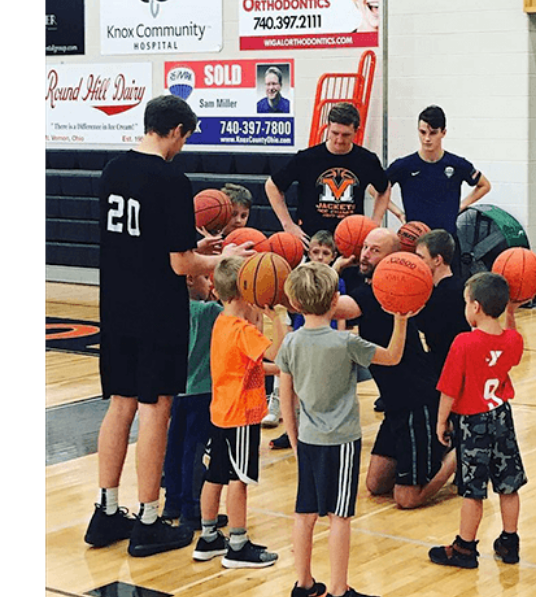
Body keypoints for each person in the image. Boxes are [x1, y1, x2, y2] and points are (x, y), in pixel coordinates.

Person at [84, 94, 254, 558]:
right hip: (157, 308)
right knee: (156, 407)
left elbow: (141, 237)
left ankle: (105, 511)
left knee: (120, 404)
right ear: (176, 131)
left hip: (116, 303)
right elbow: (181, 264)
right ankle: (149, 519)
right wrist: (223, 256)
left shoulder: (112, 171)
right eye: (185, 137)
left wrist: (191, 241)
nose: (182, 146)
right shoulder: (172, 180)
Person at [277, 261, 415, 597]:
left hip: (307, 439)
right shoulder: (346, 342)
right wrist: (400, 321)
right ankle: (338, 594)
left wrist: (293, 440)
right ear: (336, 299)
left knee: (304, 513)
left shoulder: (291, 342)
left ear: (294, 302)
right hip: (340, 442)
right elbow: (393, 357)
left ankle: (303, 586)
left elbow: (286, 399)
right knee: (339, 516)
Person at [333, 227, 456, 509]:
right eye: (364, 247)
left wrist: (330, 270)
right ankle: (431, 456)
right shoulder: (375, 288)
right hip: (395, 405)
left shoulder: (382, 292)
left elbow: (329, 308)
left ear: (393, 259)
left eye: (375, 250)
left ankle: (456, 458)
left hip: (417, 403)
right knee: (375, 486)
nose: (364, 255)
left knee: (406, 499)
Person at [192, 256, 288, 567]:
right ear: (249, 293)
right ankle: (237, 543)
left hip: (220, 412)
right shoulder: (242, 331)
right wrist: (277, 317)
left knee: (215, 474)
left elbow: (256, 366)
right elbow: (277, 351)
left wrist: (285, 371)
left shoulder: (221, 321)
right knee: (239, 479)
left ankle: (208, 538)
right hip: (242, 416)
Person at [429, 273, 527, 568]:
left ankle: (464, 548)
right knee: (508, 484)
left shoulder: (463, 342)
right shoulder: (513, 340)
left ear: (475, 307)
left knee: (472, 490)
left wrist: (440, 421)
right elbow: (512, 345)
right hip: (502, 416)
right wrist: (510, 314)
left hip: (473, 422)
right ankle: (510, 542)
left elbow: (449, 388)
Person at [265, 102, 390, 247]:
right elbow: (272, 185)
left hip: (350, 240)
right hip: (313, 241)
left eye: (346, 135)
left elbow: (384, 188)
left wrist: (375, 222)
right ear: (328, 128)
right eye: (335, 133)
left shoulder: (367, 160)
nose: (339, 140)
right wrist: (287, 224)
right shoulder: (307, 158)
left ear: (357, 131)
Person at [385, 105, 491, 274]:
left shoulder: (456, 164)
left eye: (433, 133)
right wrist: (398, 213)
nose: (427, 138)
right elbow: (375, 189)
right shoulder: (404, 165)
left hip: (447, 243)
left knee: (449, 293)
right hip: (416, 243)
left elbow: (484, 185)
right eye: (422, 132)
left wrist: (462, 205)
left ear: (443, 132)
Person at [266, 230, 347, 440]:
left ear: (333, 256)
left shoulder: (336, 281)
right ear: (308, 253)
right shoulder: (299, 279)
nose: (320, 257)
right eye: (316, 252)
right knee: (294, 383)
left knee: (319, 388)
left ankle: (322, 427)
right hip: (303, 335)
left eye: (325, 253)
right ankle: (290, 426)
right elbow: (293, 315)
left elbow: (342, 315)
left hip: (325, 338)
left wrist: (340, 338)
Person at [161, 273, 227, 531]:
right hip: (202, 392)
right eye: (205, 278)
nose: (210, 283)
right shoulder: (210, 310)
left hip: (176, 390)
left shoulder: (169, 309)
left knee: (174, 448)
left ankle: (172, 503)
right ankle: (192, 509)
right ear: (189, 279)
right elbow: (238, 313)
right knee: (195, 451)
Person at [413, 229, 471, 378]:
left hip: (449, 369)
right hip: (452, 364)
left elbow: (423, 326)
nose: (416, 263)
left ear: (437, 260)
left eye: (421, 257)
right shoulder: (462, 286)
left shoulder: (442, 295)